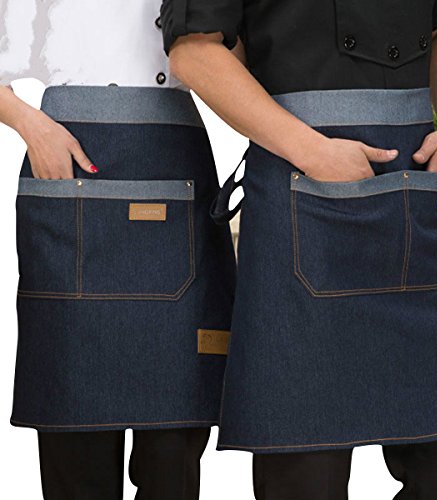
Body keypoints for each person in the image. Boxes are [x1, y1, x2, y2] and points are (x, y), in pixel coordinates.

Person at [160, 0, 437, 498]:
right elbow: (193, 52)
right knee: (305, 466)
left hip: (411, 200)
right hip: (302, 195)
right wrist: (312, 150)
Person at [0, 1, 236, 498]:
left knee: (175, 443)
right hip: (69, 163)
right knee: (73, 434)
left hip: (176, 168)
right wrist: (32, 126)